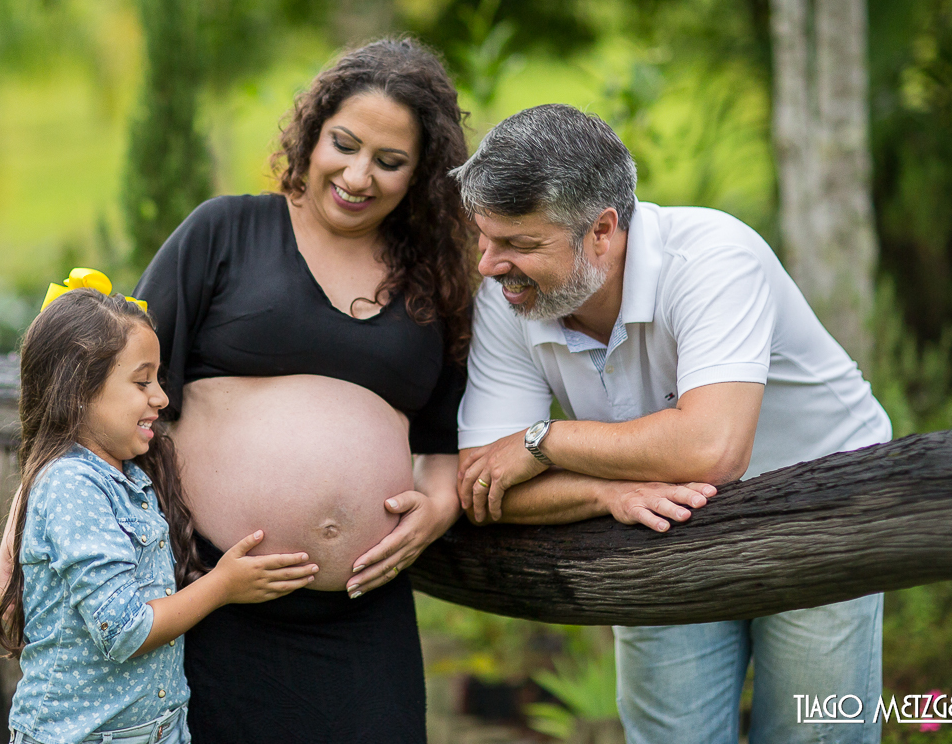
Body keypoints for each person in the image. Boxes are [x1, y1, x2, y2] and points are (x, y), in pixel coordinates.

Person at [131, 39, 709, 743]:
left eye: (389, 161)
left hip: (361, 609)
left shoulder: (434, 279)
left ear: (422, 173)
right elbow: (121, 385)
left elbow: (445, 438)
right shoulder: (224, 231)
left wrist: (436, 504)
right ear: (312, 135)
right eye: (344, 145)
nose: (358, 175)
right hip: (212, 594)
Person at [453, 104, 891, 744]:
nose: (489, 265)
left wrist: (546, 442)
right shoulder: (508, 296)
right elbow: (483, 481)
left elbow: (712, 450)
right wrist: (602, 492)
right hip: (660, 517)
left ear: (603, 231)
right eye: (485, 238)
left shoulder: (713, 258)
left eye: (520, 244)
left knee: (815, 735)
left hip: (822, 507)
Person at [0, 275, 318, 744]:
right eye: (142, 380)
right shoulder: (73, 485)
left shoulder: (127, 475)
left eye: (159, 379)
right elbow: (124, 630)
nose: (161, 397)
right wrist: (223, 585)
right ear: (79, 389)